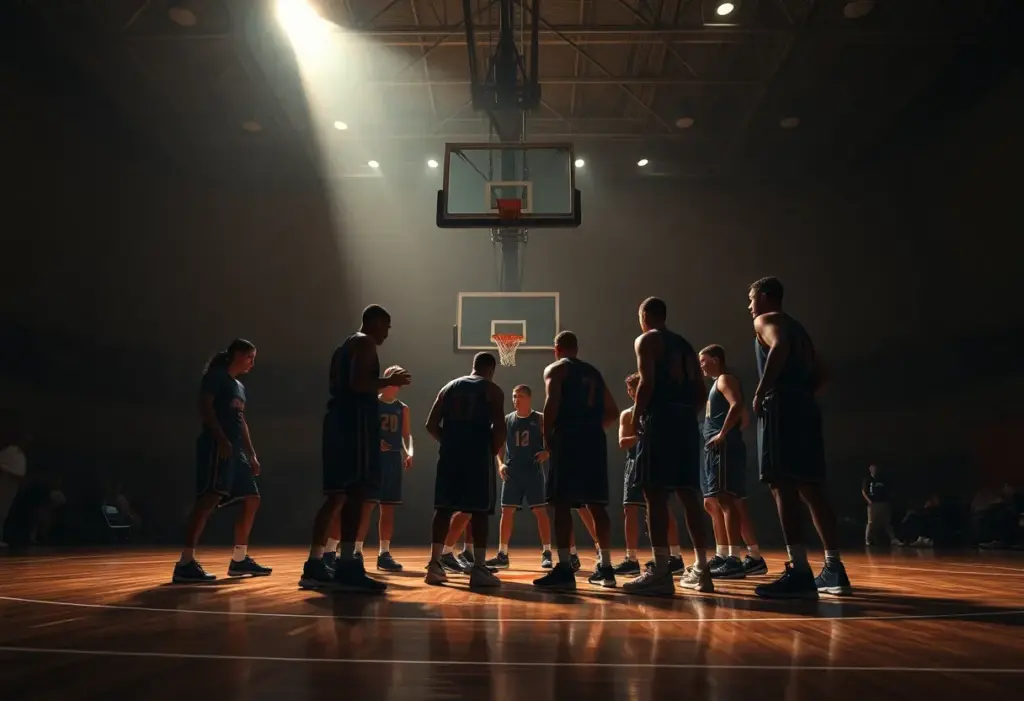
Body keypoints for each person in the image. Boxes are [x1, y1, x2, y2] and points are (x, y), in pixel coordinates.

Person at [748, 277, 850, 598]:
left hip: (782, 405)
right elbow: (824, 372)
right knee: (812, 489)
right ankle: (834, 569)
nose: (749, 306)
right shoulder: (800, 328)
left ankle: (800, 572)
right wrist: (804, 395)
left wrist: (763, 391)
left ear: (765, 296)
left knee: (782, 486)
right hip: (805, 406)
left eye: (751, 298)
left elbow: (778, 347)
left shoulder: (767, 320)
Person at [300, 305, 411, 592]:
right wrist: (389, 381)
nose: (388, 331)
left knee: (336, 496)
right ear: (374, 322)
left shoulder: (345, 345)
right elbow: (358, 383)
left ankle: (314, 564)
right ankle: (348, 564)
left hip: (339, 422)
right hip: (354, 424)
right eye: (386, 325)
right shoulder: (363, 342)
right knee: (356, 493)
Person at [623, 297, 711, 596]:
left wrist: (636, 417)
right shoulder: (685, 345)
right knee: (689, 494)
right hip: (686, 419)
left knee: (655, 495)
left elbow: (646, 382)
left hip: (661, 419)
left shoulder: (646, 339)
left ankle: (661, 570)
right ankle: (702, 569)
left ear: (645, 315)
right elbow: (701, 390)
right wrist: (687, 413)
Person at [173, 339, 271, 583]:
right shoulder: (216, 377)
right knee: (208, 500)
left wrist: (252, 454)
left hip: (236, 451)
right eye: (250, 357)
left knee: (252, 498)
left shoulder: (239, 386)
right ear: (237, 354)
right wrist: (221, 438)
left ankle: (239, 559)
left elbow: (241, 422)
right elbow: (205, 407)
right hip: (218, 447)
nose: (252, 363)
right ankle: (185, 562)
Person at [533, 331, 619, 591]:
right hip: (593, 439)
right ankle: (605, 567)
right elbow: (613, 410)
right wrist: (593, 429)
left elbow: (551, 404)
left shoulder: (556, 369)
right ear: (577, 348)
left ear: (556, 348)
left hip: (568, 439)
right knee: (596, 505)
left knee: (561, 504)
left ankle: (564, 569)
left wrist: (548, 438)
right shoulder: (593, 372)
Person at [424, 352, 505, 589]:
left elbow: (430, 424)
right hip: (477, 455)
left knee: (443, 508)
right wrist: (492, 449)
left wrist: (449, 442)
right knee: (479, 510)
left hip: (450, 455)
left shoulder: (448, 387)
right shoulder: (492, 390)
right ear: (491, 369)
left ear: (473, 367)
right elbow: (499, 427)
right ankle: (479, 568)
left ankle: (434, 565)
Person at [698, 345, 767, 578]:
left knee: (726, 500)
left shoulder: (725, 380)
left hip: (724, 448)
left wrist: (723, 434)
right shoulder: (719, 383)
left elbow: (738, 406)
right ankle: (745, 557)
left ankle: (733, 559)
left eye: (704, 360)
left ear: (716, 359)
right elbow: (744, 417)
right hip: (723, 448)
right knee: (726, 502)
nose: (701, 365)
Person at [614, 374, 685, 576]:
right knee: (630, 509)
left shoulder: (657, 411)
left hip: (655, 462)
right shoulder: (627, 414)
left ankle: (675, 557)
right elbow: (622, 442)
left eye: (635, 387)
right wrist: (643, 436)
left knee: (662, 509)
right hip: (634, 463)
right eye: (629, 389)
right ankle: (631, 558)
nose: (631, 392)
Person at [352, 366, 414, 571]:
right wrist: (374, 441)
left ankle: (384, 553)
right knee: (367, 506)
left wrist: (409, 452)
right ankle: (356, 551)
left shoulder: (402, 407)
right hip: (373, 460)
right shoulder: (373, 403)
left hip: (393, 460)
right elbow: (361, 429)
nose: (395, 385)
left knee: (388, 508)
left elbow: (407, 435)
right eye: (392, 380)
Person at [485, 385, 553, 570]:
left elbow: (552, 442)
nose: (516, 399)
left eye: (520, 396)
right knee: (506, 512)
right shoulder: (507, 420)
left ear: (529, 398)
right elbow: (498, 447)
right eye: (514, 396)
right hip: (512, 472)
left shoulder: (539, 419)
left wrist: (547, 452)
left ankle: (547, 552)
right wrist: (501, 463)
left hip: (533, 471)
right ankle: (502, 554)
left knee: (540, 512)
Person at [0, 411, 27, 548]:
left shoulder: (18, 454)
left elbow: (20, 473)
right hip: (4, 485)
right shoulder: (9, 451)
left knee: (3, 512)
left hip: (11, 487)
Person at [863, 464, 900, 546]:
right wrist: (869, 501)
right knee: (871, 522)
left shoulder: (883, 480)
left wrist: (888, 501)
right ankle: (868, 540)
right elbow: (864, 491)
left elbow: (888, 490)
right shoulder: (868, 480)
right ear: (870, 469)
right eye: (873, 468)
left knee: (887, 522)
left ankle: (893, 539)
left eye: (876, 468)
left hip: (883, 503)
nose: (874, 470)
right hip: (873, 504)